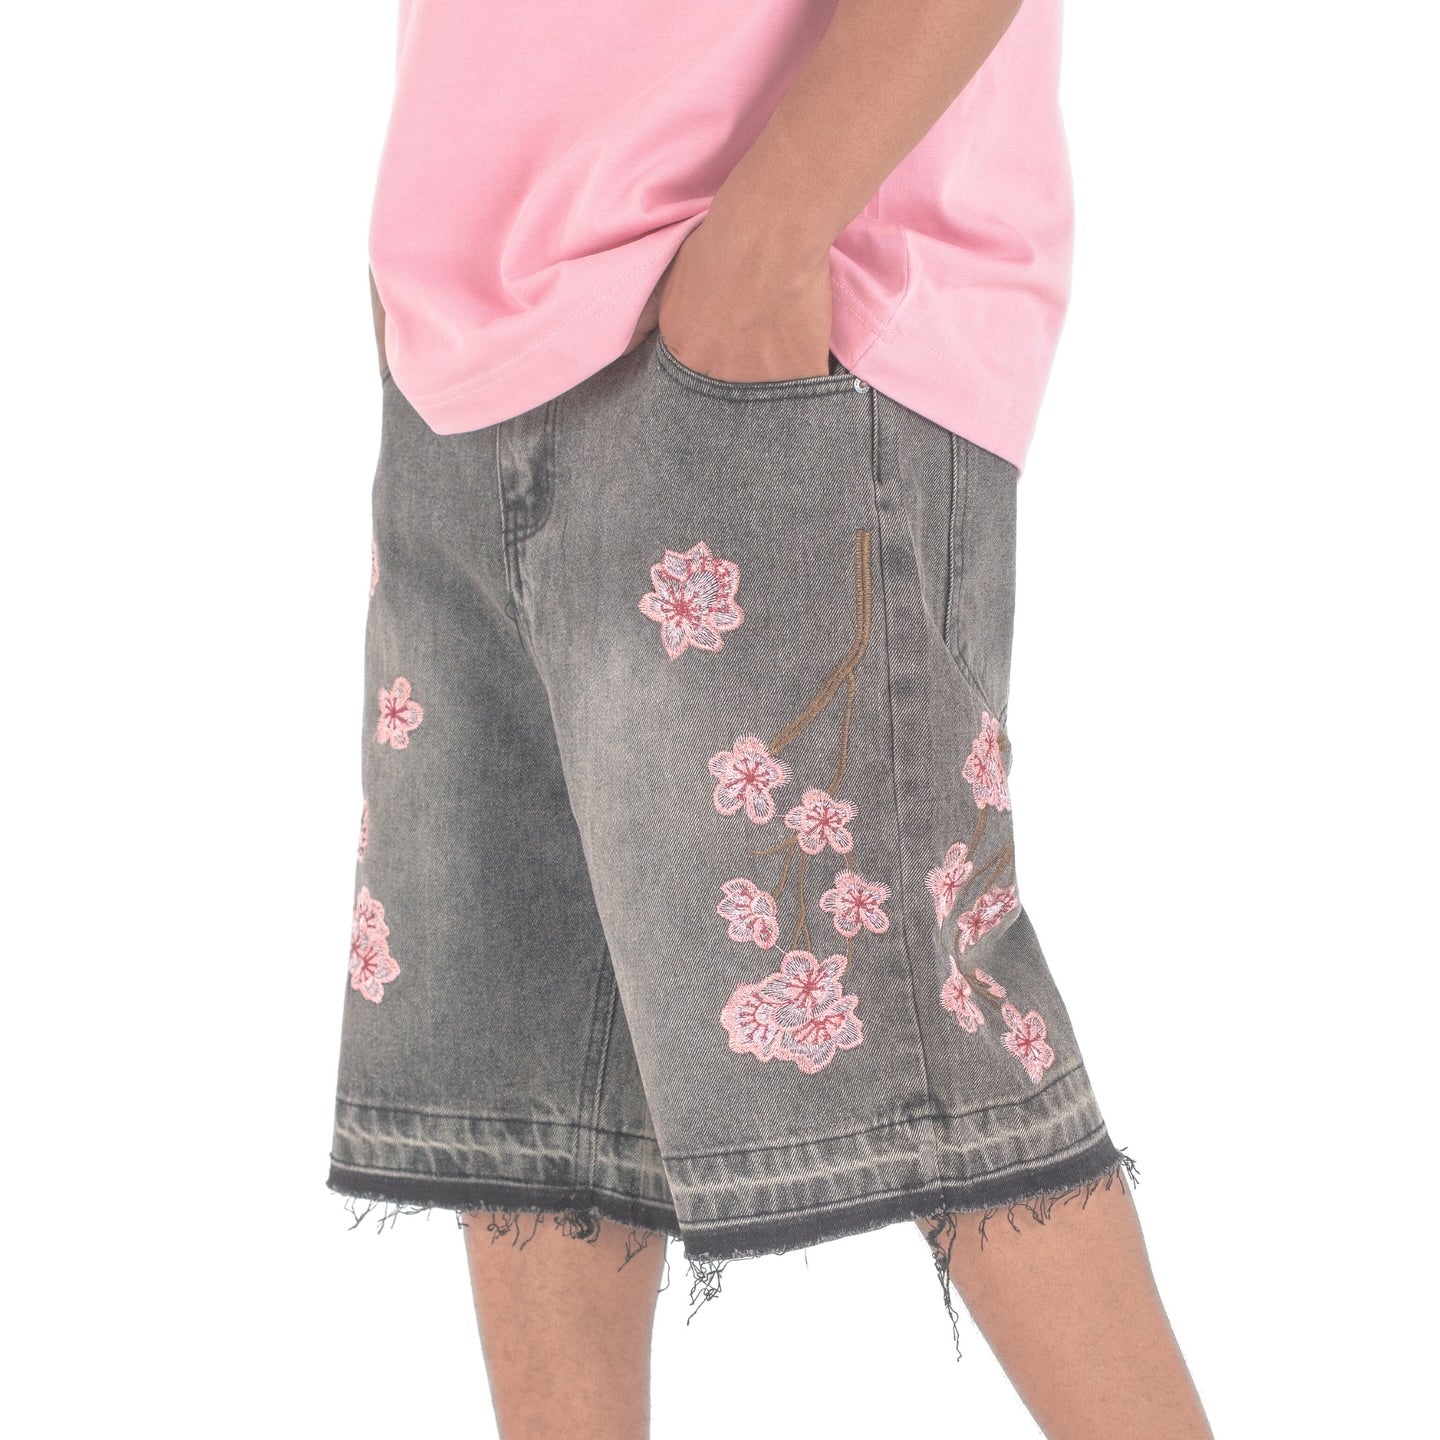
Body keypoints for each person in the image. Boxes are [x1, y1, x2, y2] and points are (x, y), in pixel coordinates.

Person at [327, 2, 1214, 1435]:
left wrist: (771, 236)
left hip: (771, 320)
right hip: (470, 333)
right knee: (533, 1098)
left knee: (941, 1063)